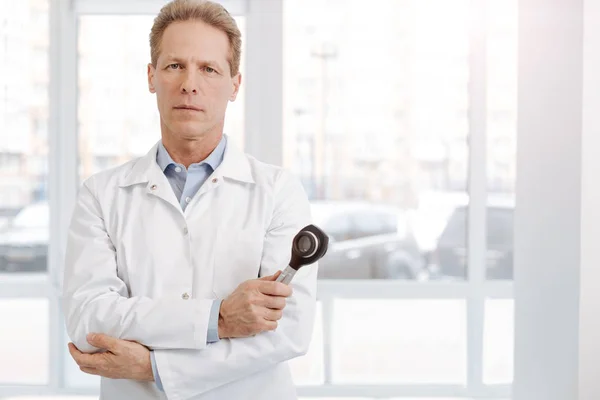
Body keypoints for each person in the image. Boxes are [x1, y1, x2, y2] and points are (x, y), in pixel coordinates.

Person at [61, 0, 317, 399]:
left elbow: (287, 331)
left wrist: (153, 367)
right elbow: (87, 317)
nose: (189, 84)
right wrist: (219, 319)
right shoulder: (102, 194)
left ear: (235, 85)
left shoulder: (278, 192)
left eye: (209, 69)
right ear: (151, 76)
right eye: (174, 65)